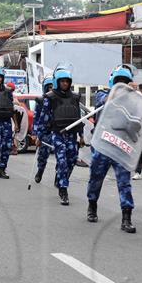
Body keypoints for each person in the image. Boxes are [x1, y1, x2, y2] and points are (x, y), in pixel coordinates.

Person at [85, 66, 137, 233]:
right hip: (103, 145)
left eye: (125, 82)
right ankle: (92, 205)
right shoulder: (102, 94)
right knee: (96, 179)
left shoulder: (133, 100)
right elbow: (106, 100)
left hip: (121, 145)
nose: (121, 85)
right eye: (118, 82)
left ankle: (126, 217)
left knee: (124, 183)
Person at [33, 68, 84, 205]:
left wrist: (81, 135)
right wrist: (39, 136)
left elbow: (79, 117)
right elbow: (43, 119)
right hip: (57, 134)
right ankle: (63, 189)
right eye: (62, 81)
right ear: (57, 82)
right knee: (61, 161)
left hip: (72, 135)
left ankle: (60, 178)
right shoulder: (50, 98)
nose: (65, 84)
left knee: (71, 161)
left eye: (67, 81)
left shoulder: (74, 97)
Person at [33, 77, 54, 184]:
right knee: (43, 154)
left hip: (58, 131)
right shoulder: (41, 101)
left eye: (53, 87)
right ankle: (40, 170)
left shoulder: (60, 99)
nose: (51, 89)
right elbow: (36, 118)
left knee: (62, 157)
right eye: (49, 87)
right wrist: (35, 133)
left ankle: (59, 177)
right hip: (45, 131)